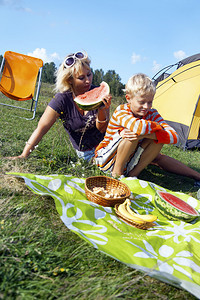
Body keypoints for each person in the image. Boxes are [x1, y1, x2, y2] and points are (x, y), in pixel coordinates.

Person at [7, 51, 111, 162]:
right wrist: (24, 155)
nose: (87, 80)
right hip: (87, 153)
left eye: (89, 74)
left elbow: (102, 129)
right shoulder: (61, 100)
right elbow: (41, 129)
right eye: (81, 78)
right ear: (69, 80)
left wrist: (103, 110)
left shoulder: (99, 93)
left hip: (106, 146)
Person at [94, 73, 195, 180]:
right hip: (105, 159)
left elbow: (175, 137)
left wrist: (148, 135)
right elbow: (139, 128)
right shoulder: (121, 110)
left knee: (159, 138)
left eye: (150, 102)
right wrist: (158, 128)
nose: (146, 107)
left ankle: (134, 174)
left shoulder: (152, 113)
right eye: (141, 102)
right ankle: (116, 175)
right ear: (128, 98)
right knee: (135, 133)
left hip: (129, 162)